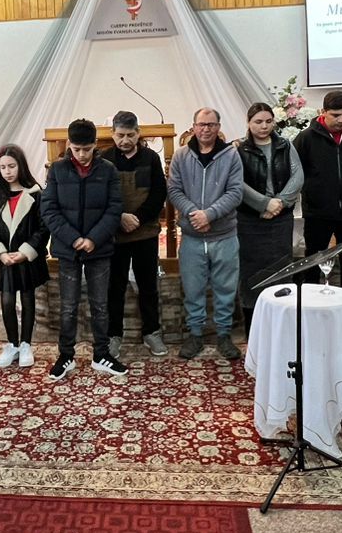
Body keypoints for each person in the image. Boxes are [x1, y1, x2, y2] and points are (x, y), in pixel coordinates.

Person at [40, 118, 127, 381]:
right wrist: (74, 239)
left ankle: (101, 354)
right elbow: (49, 209)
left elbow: (114, 208)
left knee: (100, 305)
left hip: (98, 248)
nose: (82, 155)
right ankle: (66, 355)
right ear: (69, 144)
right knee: (68, 306)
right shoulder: (57, 170)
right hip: (68, 249)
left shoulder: (108, 170)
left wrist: (93, 239)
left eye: (87, 149)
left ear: (95, 145)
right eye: (76, 149)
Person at [291, 89, 342, 335]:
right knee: (313, 263)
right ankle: (309, 315)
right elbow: (298, 171)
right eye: (335, 115)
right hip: (319, 212)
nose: (341, 120)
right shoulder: (306, 138)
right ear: (323, 112)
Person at [167, 107, 246, 360]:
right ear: (193, 127)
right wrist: (195, 214)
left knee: (226, 288)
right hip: (192, 236)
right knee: (193, 289)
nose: (206, 129)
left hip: (224, 235)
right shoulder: (181, 156)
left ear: (218, 127)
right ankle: (195, 335)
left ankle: (224, 335)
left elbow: (235, 192)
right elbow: (174, 190)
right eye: (201, 124)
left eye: (211, 124)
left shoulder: (231, 156)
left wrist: (209, 215)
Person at [101, 111, 168, 357]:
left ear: (138, 133)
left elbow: (159, 193)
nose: (125, 140)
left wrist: (137, 218)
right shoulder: (104, 159)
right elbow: (101, 195)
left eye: (130, 135)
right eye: (120, 135)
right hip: (115, 234)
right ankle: (113, 335)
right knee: (114, 287)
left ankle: (151, 332)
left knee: (148, 285)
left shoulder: (151, 158)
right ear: (112, 134)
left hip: (145, 233)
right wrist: (119, 217)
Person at [236, 102, 305, 333]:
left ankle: (281, 326)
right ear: (248, 123)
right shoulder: (240, 149)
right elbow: (237, 183)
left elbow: (297, 176)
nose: (264, 126)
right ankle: (253, 329)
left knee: (280, 269)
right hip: (250, 220)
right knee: (251, 273)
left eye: (268, 121)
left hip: (280, 220)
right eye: (258, 122)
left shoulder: (285, 146)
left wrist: (279, 202)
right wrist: (264, 203)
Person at [0, 145, 49, 369]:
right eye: (3, 167)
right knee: (8, 300)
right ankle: (12, 344)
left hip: (25, 256)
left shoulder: (34, 193)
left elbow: (42, 227)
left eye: (11, 166)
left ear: (21, 166)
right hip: (6, 257)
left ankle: (26, 343)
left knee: (28, 297)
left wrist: (26, 251)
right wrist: (0, 252)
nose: (7, 171)